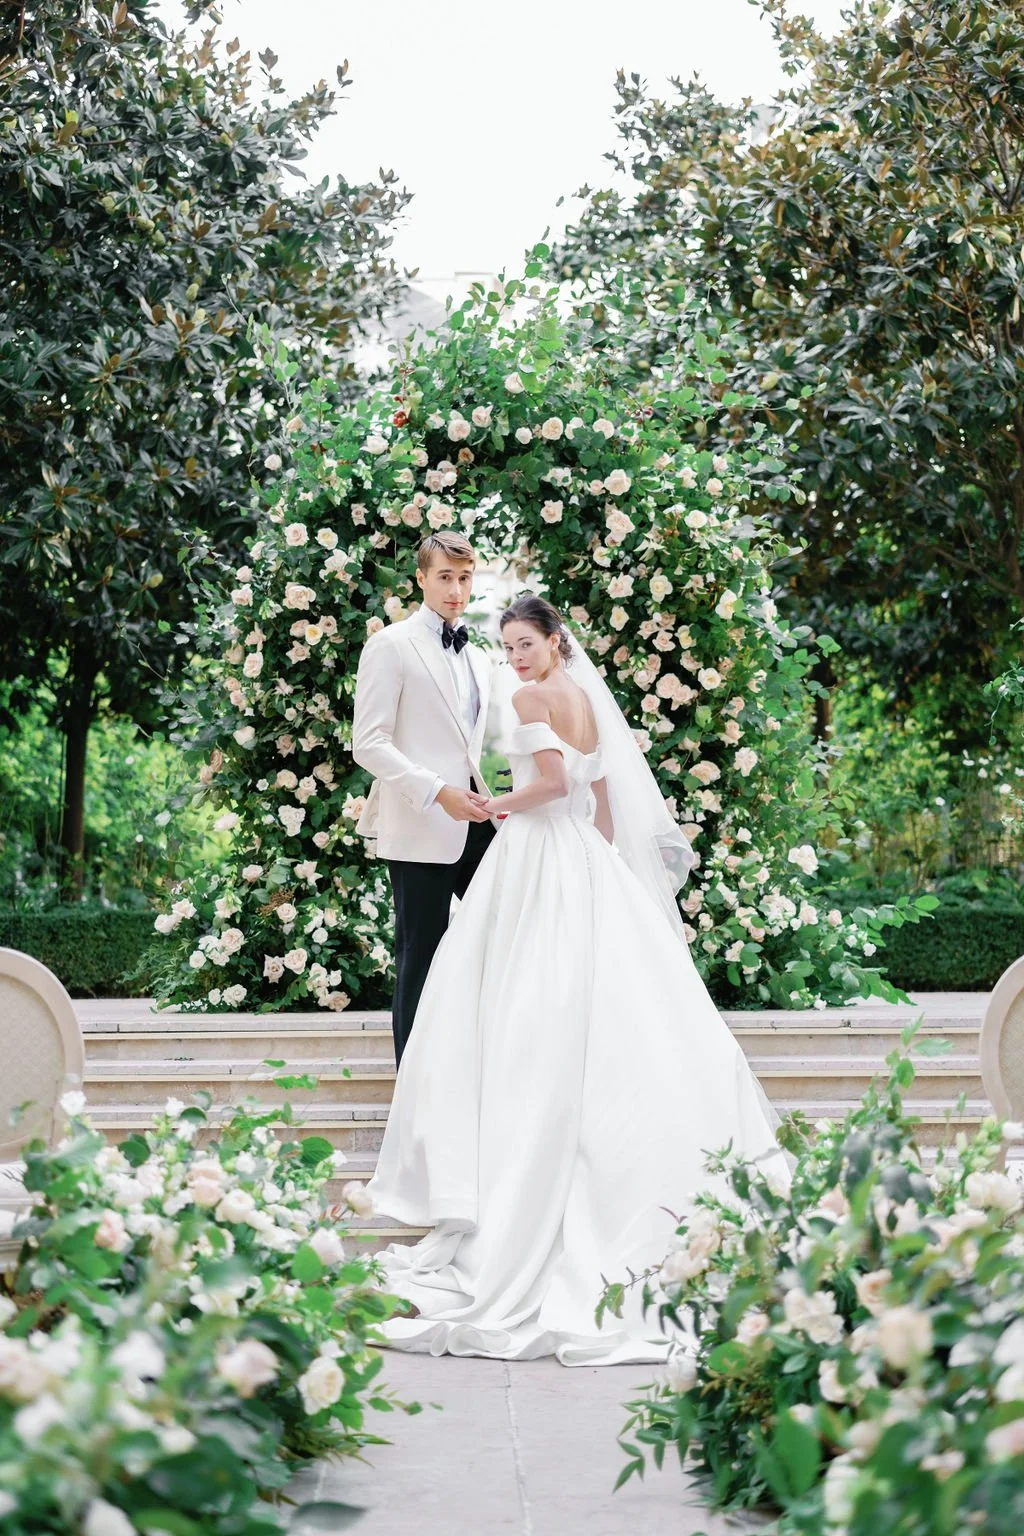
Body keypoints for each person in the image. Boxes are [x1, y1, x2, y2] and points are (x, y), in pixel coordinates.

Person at [364, 592, 790, 1366]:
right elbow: (598, 801)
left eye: (525, 643)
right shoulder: (588, 699)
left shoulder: (532, 698)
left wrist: (495, 805)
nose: (515, 658)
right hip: (583, 856)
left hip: (537, 850)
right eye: (507, 647)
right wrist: (602, 861)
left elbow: (555, 783)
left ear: (555, 639)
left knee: (525, 999)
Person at [351, 531, 496, 1067]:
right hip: (421, 823)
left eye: (465, 578)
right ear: (420, 579)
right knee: (421, 955)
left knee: (504, 938)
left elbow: (480, 744)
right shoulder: (391, 645)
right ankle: (412, 1083)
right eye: (445, 577)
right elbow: (368, 743)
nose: (456, 590)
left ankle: (478, 1066)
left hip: (483, 821)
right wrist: (437, 792)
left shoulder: (479, 656)